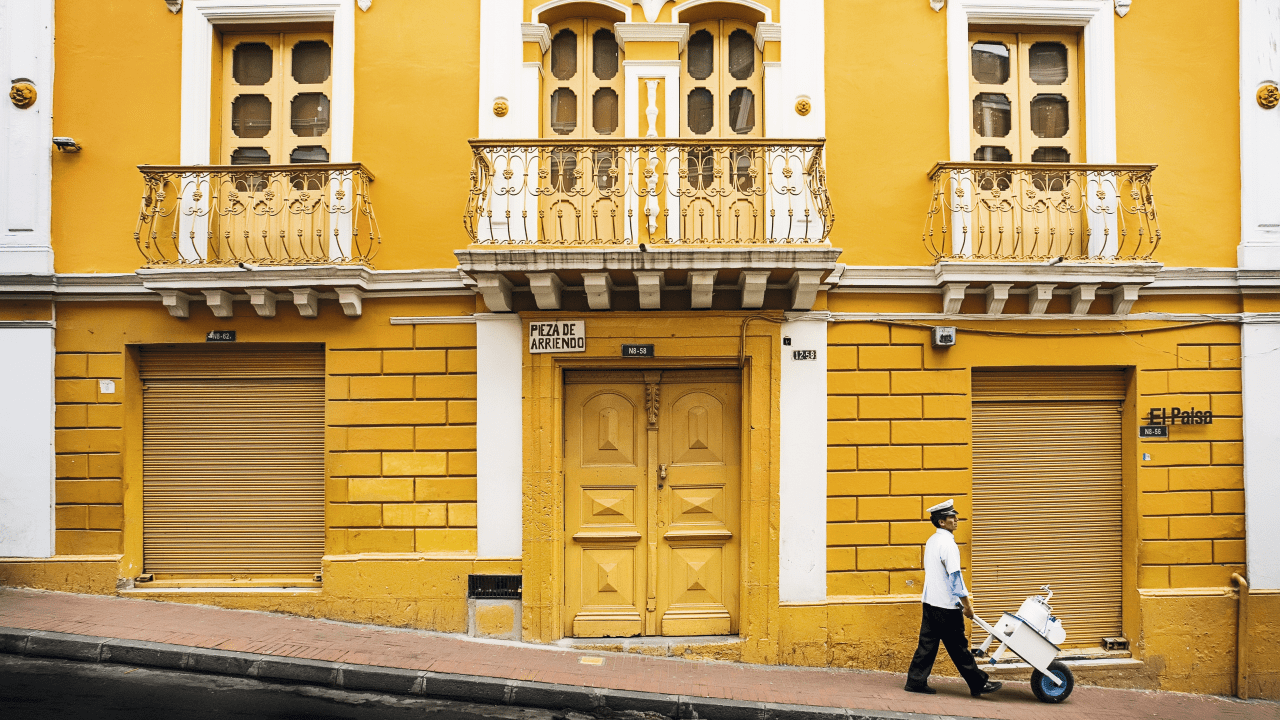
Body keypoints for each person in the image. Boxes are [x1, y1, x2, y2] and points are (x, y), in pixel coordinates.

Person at [904, 499, 1002, 698]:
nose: (956, 520)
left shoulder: (932, 541)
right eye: (952, 517)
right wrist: (967, 605)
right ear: (942, 522)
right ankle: (978, 684)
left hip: (930, 602)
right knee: (959, 648)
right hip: (947, 606)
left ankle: (915, 681)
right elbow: (955, 578)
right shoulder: (948, 544)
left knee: (927, 645)